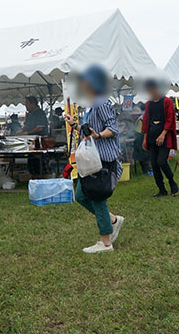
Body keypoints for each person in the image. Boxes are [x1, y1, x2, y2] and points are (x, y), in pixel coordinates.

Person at [64, 65, 124, 254]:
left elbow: (112, 128)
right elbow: (90, 130)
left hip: (102, 159)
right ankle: (112, 220)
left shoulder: (102, 103)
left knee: (97, 198)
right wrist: (76, 125)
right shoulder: (91, 104)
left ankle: (105, 243)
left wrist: (97, 135)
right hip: (91, 160)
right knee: (81, 196)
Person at [141, 79, 179, 198]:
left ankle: (172, 183)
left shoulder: (166, 102)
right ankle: (161, 190)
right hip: (152, 137)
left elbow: (170, 119)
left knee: (161, 161)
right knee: (155, 165)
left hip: (164, 138)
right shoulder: (149, 103)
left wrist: (163, 134)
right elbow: (146, 121)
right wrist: (145, 138)